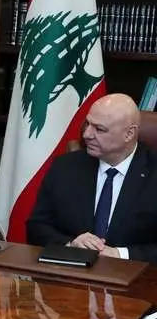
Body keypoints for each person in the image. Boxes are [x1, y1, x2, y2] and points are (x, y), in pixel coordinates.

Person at [27, 93, 157, 263]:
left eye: (99, 129)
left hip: (135, 275)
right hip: (71, 272)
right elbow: (36, 227)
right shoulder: (65, 167)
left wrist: (119, 254)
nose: (87, 134)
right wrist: (70, 244)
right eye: (88, 124)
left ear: (129, 134)